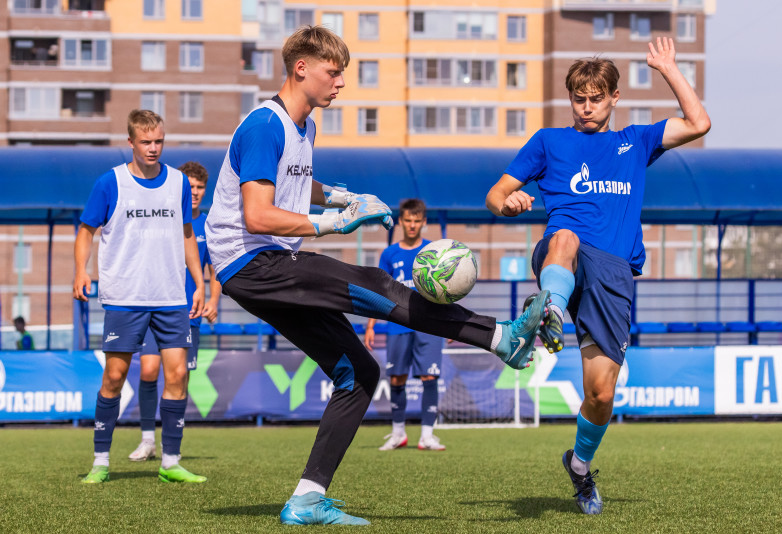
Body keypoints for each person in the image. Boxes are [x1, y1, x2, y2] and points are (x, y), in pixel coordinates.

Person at [205, 25, 549, 526]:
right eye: (333, 72)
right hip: (254, 260)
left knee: (359, 373)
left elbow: (295, 182)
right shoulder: (265, 125)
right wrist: (333, 223)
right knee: (379, 283)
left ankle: (305, 500)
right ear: (301, 68)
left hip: (262, 267)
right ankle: (501, 338)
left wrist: (342, 197)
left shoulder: (304, 128)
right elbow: (258, 215)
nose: (341, 83)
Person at [486, 37, 711, 515]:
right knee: (565, 234)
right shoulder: (549, 140)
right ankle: (547, 309)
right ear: (570, 99)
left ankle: (580, 466)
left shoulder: (635, 141)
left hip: (615, 275)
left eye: (595, 98)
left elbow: (699, 123)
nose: (586, 107)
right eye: (578, 98)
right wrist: (509, 203)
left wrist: (669, 69)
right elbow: (495, 194)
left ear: (613, 98)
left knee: (601, 392)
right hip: (562, 257)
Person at [73, 109, 207, 484]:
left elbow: (186, 235)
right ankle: (101, 460)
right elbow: (86, 230)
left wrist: (199, 282)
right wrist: (81, 270)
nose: (153, 148)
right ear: (130, 142)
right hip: (125, 297)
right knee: (114, 377)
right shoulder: (109, 183)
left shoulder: (179, 183)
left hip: (170, 297)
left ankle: (171, 462)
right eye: (146, 142)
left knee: (178, 374)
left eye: (159, 141)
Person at [128, 161, 222, 462]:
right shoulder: (166, 217)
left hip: (189, 312)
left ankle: (172, 446)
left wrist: (213, 301)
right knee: (148, 370)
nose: (194, 192)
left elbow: (215, 269)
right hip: (155, 306)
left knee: (179, 378)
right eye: (190, 187)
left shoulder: (209, 225)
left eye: (199, 188)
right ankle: (147, 440)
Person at [363, 199, 446, 452]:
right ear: (400, 221)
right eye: (407, 220)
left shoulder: (433, 250)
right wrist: (370, 325)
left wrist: (451, 322)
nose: (412, 225)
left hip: (429, 324)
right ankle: (398, 433)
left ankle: (427, 436)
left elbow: (445, 289)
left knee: (429, 376)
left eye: (416, 221)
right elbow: (379, 290)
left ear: (424, 222)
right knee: (397, 378)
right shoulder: (389, 254)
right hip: (397, 323)